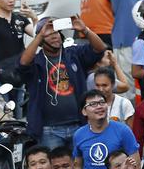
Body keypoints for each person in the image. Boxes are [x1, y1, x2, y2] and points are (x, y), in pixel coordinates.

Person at [17, 17, 105, 150]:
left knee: (79, 167)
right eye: (49, 34)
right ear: (41, 40)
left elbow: (99, 49)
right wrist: (40, 35)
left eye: (56, 32)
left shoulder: (73, 54)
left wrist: (85, 30)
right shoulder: (37, 62)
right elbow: (23, 63)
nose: (54, 37)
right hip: (49, 130)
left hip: (78, 125)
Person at [71, 90, 138, 169]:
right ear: (84, 111)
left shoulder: (123, 130)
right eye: (93, 104)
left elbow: (136, 164)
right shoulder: (79, 135)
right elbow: (78, 167)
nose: (99, 106)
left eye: (102, 102)